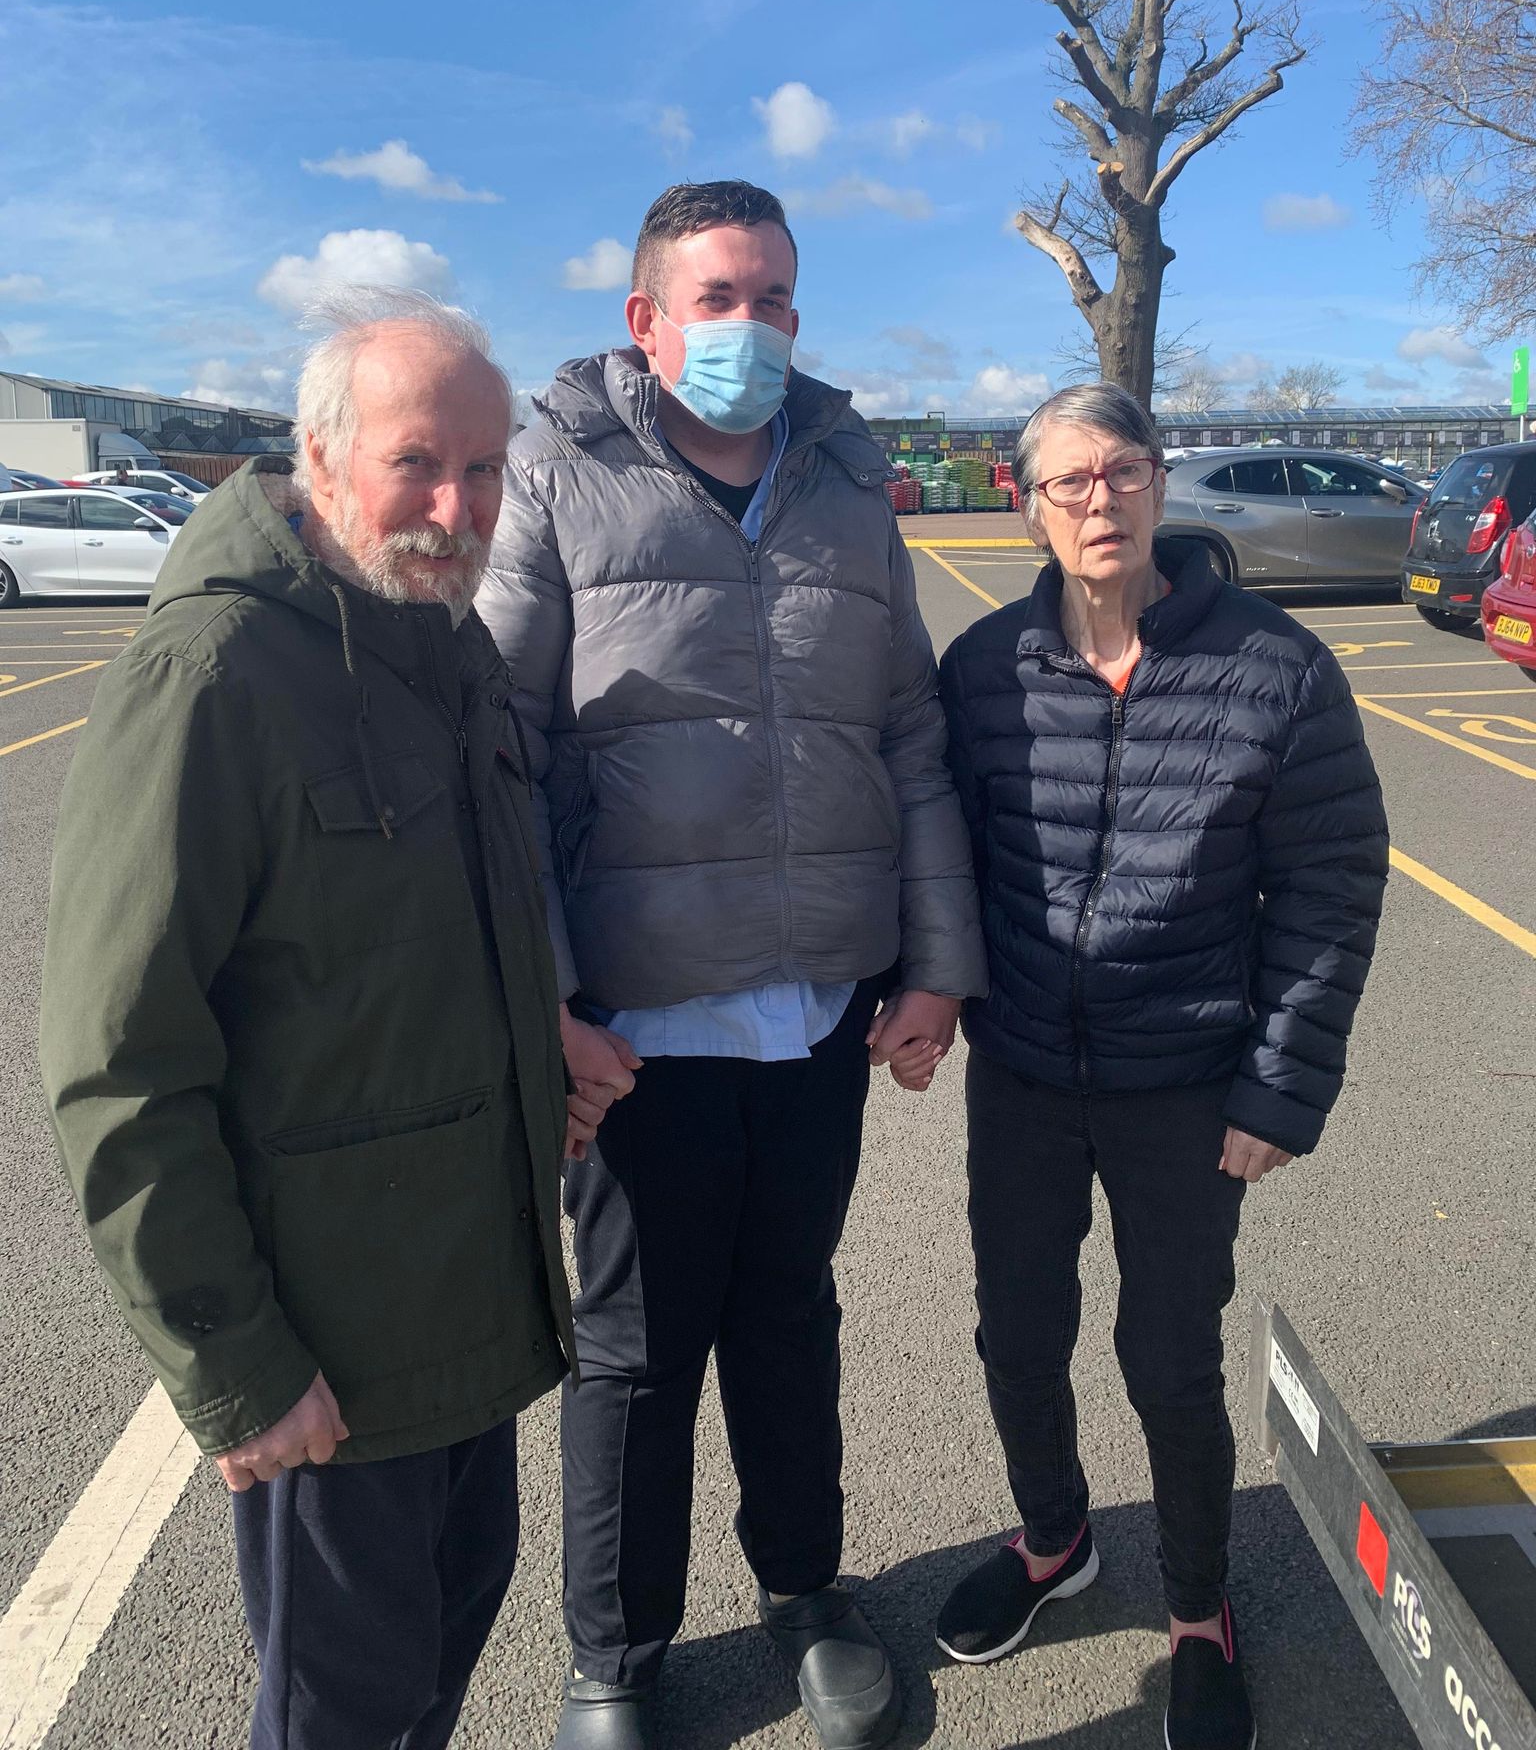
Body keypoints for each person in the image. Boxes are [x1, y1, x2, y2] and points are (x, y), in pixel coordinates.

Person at [39, 288, 624, 1750]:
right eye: (416, 462)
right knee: (339, 1710)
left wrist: (539, 1030)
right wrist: (237, 1368)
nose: (457, 508)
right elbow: (119, 1060)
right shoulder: (215, 674)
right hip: (329, 1345)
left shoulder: (444, 645)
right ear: (319, 455)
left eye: (484, 469)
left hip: (469, 1300)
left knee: (442, 1644)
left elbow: (441, 925)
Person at [477, 180, 987, 1750]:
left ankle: (808, 1592)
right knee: (634, 1360)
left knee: (789, 1319)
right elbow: (502, 753)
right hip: (638, 1034)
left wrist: (936, 967)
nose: (751, 328)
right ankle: (616, 1659)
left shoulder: (847, 486)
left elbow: (907, 736)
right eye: (719, 299)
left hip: (820, 1014)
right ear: (647, 320)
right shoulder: (557, 474)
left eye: (774, 299)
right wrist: (548, 1005)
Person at [934, 383, 1388, 1750]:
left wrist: (1279, 1086)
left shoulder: (1276, 666)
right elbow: (935, 854)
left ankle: (1199, 1605)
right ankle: (1054, 1539)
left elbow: (1331, 885)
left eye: (1123, 471)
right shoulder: (986, 666)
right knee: (1018, 1330)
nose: (1101, 502)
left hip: (1187, 1083)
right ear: (1030, 505)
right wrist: (922, 990)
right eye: (1069, 482)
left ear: (1159, 481)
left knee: (1169, 1356)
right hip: (1023, 1070)